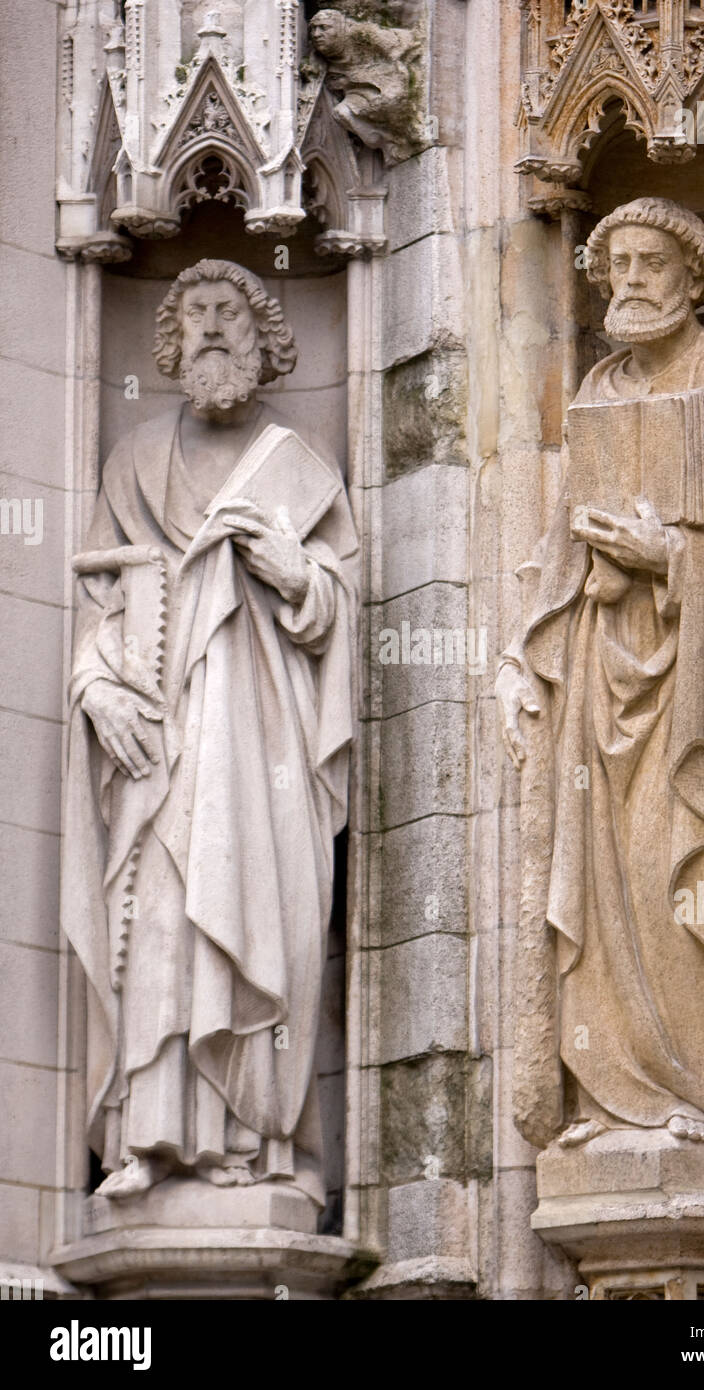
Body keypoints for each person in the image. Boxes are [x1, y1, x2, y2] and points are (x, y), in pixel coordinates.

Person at [62, 259, 358, 1204]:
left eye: (232, 311)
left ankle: (256, 1147)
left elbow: (340, 611)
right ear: (170, 339)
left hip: (265, 751)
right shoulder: (134, 462)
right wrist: (96, 691)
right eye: (194, 314)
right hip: (160, 745)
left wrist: (296, 575)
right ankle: (149, 1138)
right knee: (157, 919)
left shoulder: (301, 470)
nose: (212, 328)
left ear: (266, 337)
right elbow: (95, 611)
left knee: (252, 923)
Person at [497, 199, 704, 1150]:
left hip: (703, 672)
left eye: (650, 261)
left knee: (686, 862)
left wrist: (670, 554)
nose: (627, 278)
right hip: (596, 666)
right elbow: (556, 537)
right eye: (614, 261)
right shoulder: (603, 385)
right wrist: (519, 657)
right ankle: (612, 1096)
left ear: (697, 274)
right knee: (605, 871)